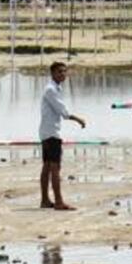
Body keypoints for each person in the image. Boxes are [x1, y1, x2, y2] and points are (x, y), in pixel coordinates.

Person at [39, 61, 86, 210]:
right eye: (60, 72)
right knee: (54, 167)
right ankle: (58, 201)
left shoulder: (54, 89)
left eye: (64, 71)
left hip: (47, 131)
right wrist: (78, 119)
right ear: (52, 73)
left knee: (47, 166)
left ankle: (45, 200)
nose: (63, 74)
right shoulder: (51, 90)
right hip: (51, 132)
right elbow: (63, 111)